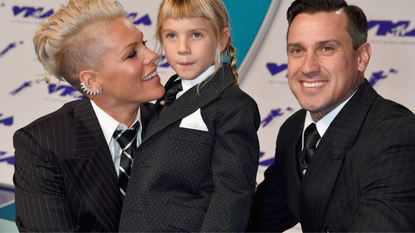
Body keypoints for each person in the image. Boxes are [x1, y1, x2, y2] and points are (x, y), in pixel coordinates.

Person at [248, 0, 415, 232]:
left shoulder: (396, 137)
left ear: (362, 57)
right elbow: (259, 220)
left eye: (326, 48)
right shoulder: (293, 130)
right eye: (297, 50)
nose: (308, 67)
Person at [12, 0, 165, 231]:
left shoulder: (176, 123)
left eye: (143, 43)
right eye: (132, 54)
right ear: (92, 80)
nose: (153, 55)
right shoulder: (42, 145)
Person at [119, 0, 260, 232]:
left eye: (196, 35)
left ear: (222, 39)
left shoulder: (235, 107)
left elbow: (232, 198)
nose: (182, 47)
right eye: (171, 35)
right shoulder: (168, 93)